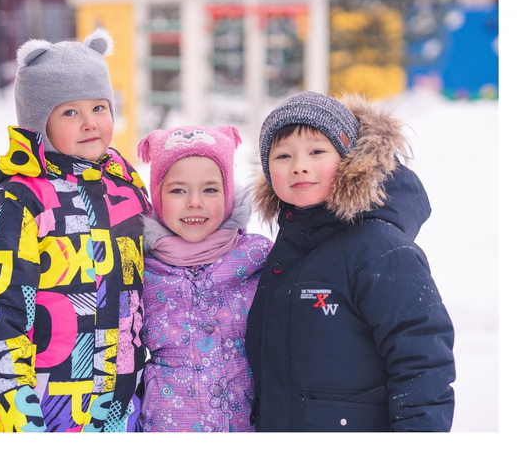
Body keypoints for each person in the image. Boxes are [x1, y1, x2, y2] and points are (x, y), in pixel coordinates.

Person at [0, 29, 146, 433]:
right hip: (44, 409)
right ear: (38, 124)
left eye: (99, 107)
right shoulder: (16, 201)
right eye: (69, 112)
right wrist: (17, 411)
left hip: (119, 409)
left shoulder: (126, 188)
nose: (89, 123)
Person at [244, 93, 455, 432]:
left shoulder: (380, 250)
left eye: (317, 151)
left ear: (349, 160)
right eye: (283, 155)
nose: (299, 165)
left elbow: (422, 362)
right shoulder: (286, 251)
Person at [133, 124, 266, 433]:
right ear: (158, 196)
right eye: (178, 190)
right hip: (169, 426)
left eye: (210, 189)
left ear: (228, 194)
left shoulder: (258, 258)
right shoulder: (142, 269)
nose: (195, 202)